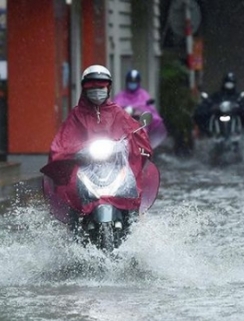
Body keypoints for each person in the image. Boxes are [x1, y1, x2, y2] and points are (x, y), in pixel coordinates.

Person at [46, 64, 153, 224]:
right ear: (84, 88)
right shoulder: (76, 115)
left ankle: (131, 217)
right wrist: (74, 152)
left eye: (101, 86)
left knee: (131, 184)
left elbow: (135, 133)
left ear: (108, 88)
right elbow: (62, 143)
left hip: (115, 165)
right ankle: (75, 221)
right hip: (84, 167)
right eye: (91, 86)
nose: (97, 90)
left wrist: (133, 145)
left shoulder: (117, 112)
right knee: (70, 187)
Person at [113, 69, 168, 148]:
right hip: (124, 128)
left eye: (134, 82)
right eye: (130, 82)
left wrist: (139, 112)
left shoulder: (143, 95)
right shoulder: (121, 95)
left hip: (141, 126)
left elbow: (149, 109)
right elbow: (115, 107)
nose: (132, 84)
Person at [193, 71, 244, 136]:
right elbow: (205, 106)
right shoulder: (217, 96)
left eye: (231, 83)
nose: (229, 85)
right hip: (217, 119)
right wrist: (212, 108)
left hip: (235, 123)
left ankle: (241, 134)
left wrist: (241, 109)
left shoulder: (238, 97)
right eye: (227, 83)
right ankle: (210, 133)